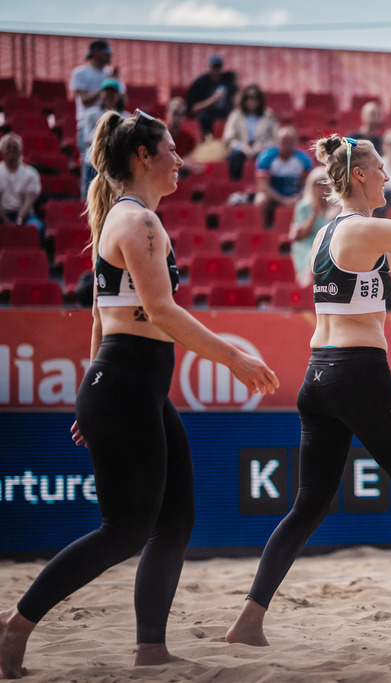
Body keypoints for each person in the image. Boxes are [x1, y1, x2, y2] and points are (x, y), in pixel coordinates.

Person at [0, 109, 278, 679]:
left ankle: (150, 646)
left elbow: (102, 320)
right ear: (143, 157)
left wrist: (91, 388)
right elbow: (159, 311)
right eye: (172, 150)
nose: (181, 159)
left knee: (176, 519)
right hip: (126, 383)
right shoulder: (140, 223)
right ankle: (15, 625)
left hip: (129, 384)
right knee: (124, 529)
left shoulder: (130, 218)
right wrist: (235, 358)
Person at [225, 136, 391, 648]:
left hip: (317, 376)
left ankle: (249, 622)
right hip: (358, 374)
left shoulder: (331, 232)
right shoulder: (367, 229)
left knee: (309, 505)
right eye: (382, 169)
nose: (389, 177)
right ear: (362, 175)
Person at [254, 126, 313, 228]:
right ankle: (263, 228)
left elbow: (308, 185)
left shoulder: (304, 159)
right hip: (274, 195)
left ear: (295, 142)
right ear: (278, 141)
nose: (286, 145)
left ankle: (305, 227)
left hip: (296, 196)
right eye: (284, 142)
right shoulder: (266, 157)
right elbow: (263, 186)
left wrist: (297, 197)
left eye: (290, 142)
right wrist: (282, 200)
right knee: (261, 200)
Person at [78, 76, 126, 199]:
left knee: (114, 197)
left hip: (116, 163)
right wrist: (110, 137)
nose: (109, 95)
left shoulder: (126, 116)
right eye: (106, 92)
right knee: (90, 196)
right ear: (101, 94)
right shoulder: (90, 114)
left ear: (118, 95)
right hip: (93, 161)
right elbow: (86, 139)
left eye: (113, 93)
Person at [223, 83, 280, 181]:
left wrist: (261, 147)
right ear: (244, 99)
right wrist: (243, 148)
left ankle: (265, 183)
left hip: (262, 149)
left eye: (255, 97)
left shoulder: (269, 116)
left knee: (269, 156)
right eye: (248, 97)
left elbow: (276, 138)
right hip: (242, 149)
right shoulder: (236, 116)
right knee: (235, 156)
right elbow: (229, 138)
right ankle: (236, 184)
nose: (252, 101)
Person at [69, 39, 116, 158]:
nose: (110, 54)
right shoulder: (80, 72)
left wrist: (115, 84)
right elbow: (84, 100)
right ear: (96, 52)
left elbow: (121, 100)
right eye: (107, 50)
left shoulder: (110, 73)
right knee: (89, 165)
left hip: (108, 126)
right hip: (88, 126)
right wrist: (106, 86)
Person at [288, 167, 332, 287]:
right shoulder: (303, 206)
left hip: (328, 245)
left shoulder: (335, 207)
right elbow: (300, 235)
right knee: (314, 254)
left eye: (324, 183)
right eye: (317, 184)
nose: (321, 187)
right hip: (307, 244)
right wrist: (314, 214)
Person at [185, 55, 238, 138]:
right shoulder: (200, 83)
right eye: (214, 67)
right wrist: (214, 99)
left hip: (225, 116)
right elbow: (193, 109)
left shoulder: (227, 80)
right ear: (208, 67)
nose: (216, 70)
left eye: (219, 67)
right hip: (206, 119)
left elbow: (237, 74)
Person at [0, 133, 42, 235]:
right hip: (2, 214)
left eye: (15, 147)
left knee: (37, 227)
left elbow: (29, 201)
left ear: (20, 151)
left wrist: (19, 220)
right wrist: (6, 221)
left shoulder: (31, 173)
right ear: (2, 151)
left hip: (25, 215)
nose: (11, 150)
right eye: (8, 147)